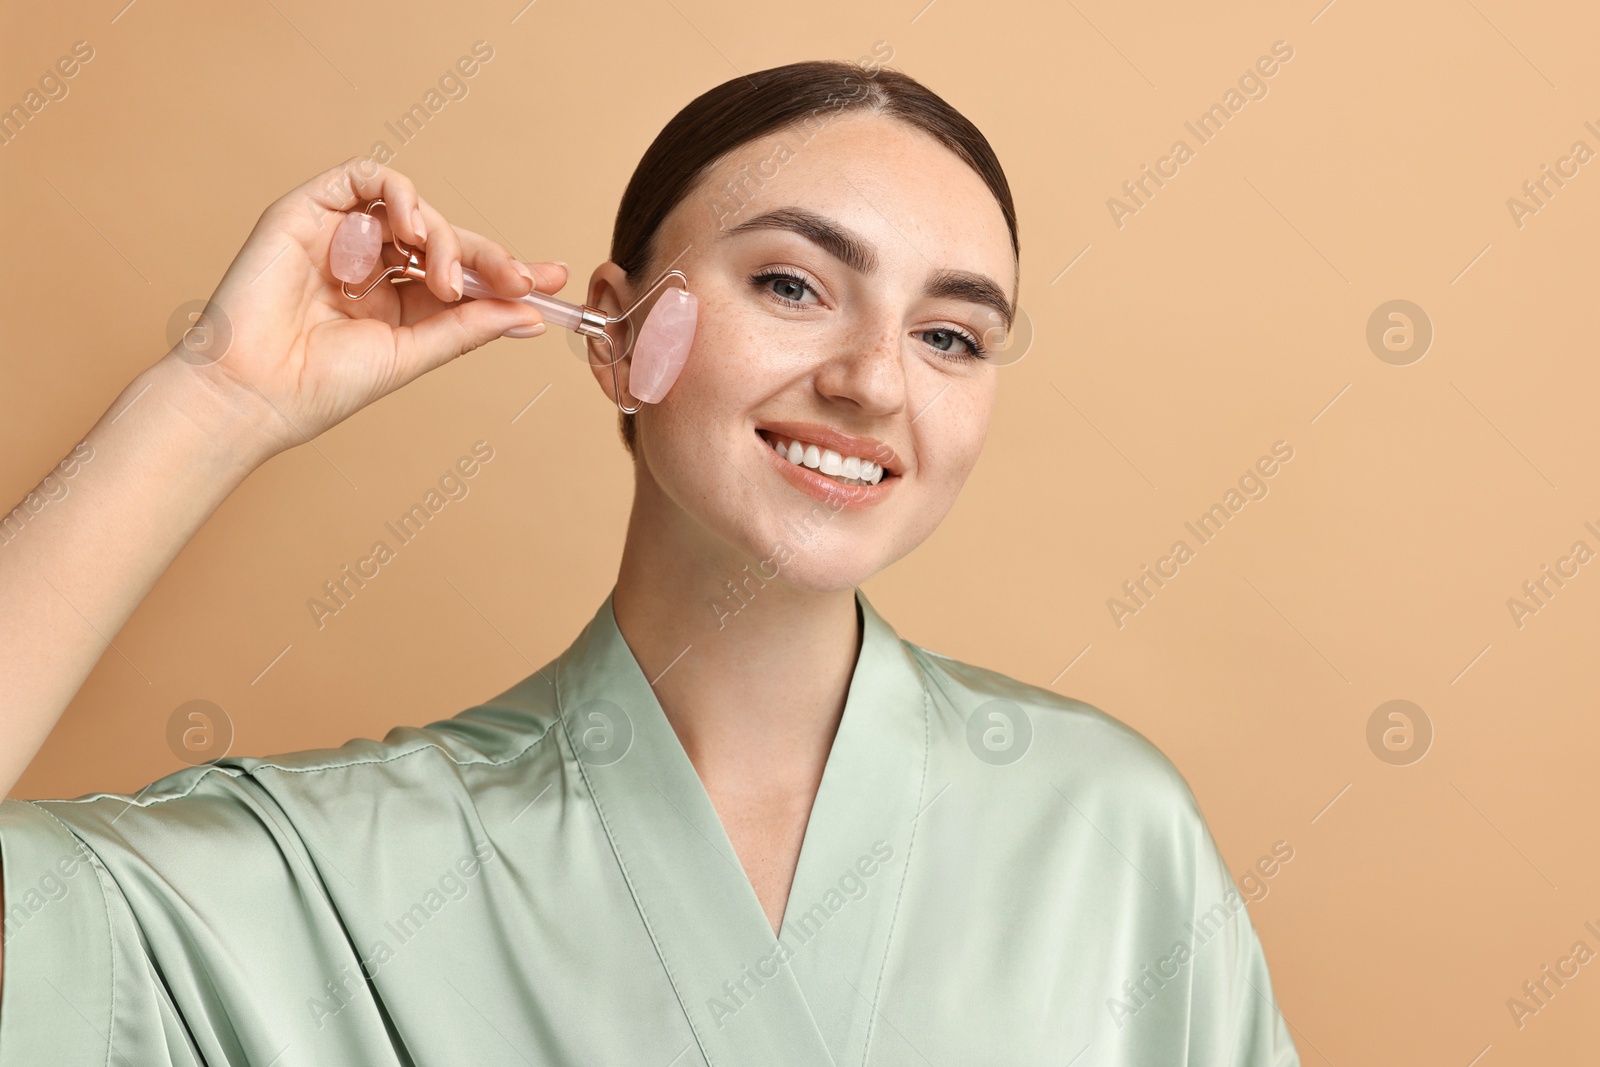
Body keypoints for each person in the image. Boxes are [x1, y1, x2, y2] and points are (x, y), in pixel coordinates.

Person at [0, 60, 1301, 1064]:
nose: (870, 382)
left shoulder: (1107, 832)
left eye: (952, 337)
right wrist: (216, 397)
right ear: (616, 333)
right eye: (793, 286)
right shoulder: (347, 873)